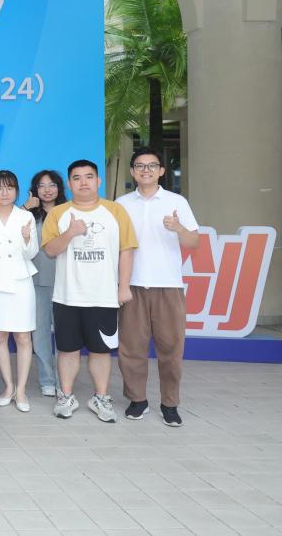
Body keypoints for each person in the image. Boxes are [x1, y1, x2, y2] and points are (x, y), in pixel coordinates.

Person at [42, 159, 137, 423]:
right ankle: (66, 396)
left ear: (98, 181)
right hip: (67, 296)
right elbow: (50, 250)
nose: (83, 182)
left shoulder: (115, 211)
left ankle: (101, 397)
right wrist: (71, 233)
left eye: (88, 177)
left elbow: (126, 250)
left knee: (101, 350)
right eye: (77, 178)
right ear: (69, 183)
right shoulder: (58, 213)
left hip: (103, 296)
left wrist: (124, 287)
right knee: (67, 349)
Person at [116, 147, 199, 427]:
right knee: (131, 349)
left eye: (152, 165)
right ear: (132, 171)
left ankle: (169, 403)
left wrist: (178, 228)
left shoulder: (177, 202)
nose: (146, 170)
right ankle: (137, 400)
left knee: (171, 349)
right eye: (140, 166)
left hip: (168, 286)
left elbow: (194, 242)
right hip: (132, 285)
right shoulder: (121, 204)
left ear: (162, 171)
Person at [0, 171, 39, 412]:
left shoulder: (26, 216)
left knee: (23, 337)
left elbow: (32, 253)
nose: (5, 193)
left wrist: (27, 239)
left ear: (16, 191)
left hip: (20, 281)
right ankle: (8, 387)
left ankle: (21, 390)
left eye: (10, 188)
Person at [25, 170, 67, 398]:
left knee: (65, 335)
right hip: (38, 281)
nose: (47, 190)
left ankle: (64, 380)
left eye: (52, 185)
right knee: (40, 335)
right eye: (42, 186)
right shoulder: (29, 215)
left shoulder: (69, 212)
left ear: (59, 188)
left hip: (66, 283)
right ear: (35, 190)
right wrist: (25, 208)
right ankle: (47, 380)